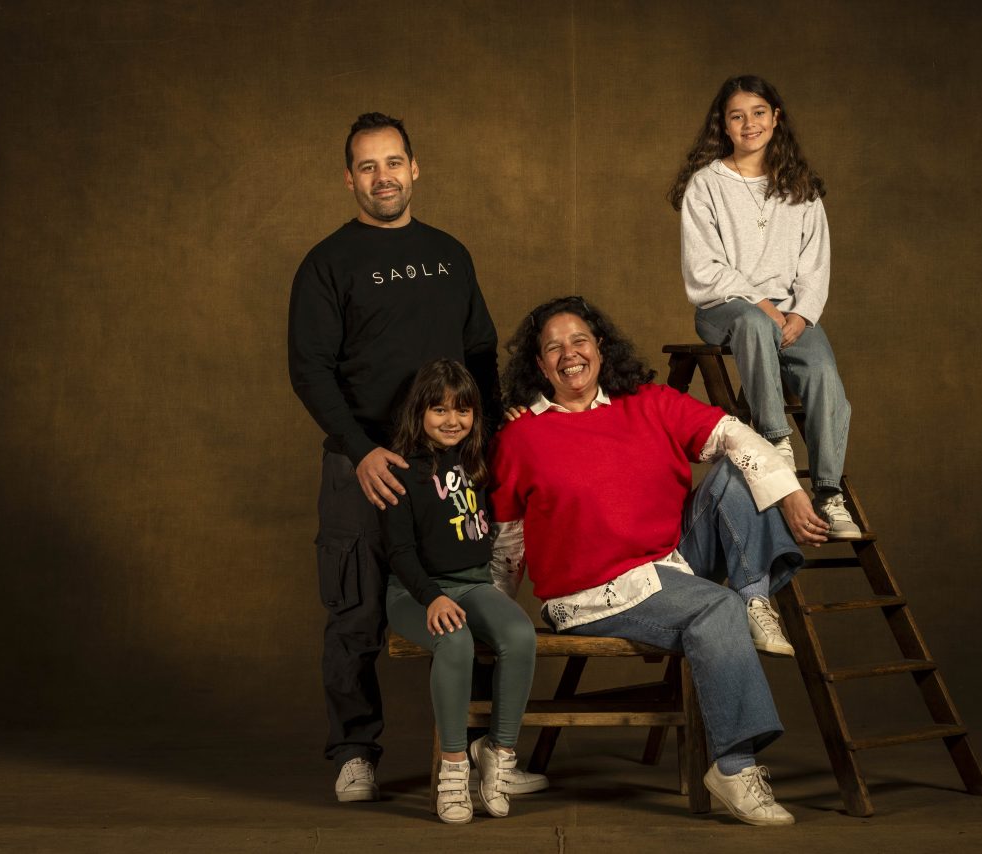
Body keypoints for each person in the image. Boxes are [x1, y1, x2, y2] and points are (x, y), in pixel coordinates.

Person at [488, 296, 831, 827]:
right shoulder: (519, 437)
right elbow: (508, 544)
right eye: (553, 348)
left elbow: (735, 434)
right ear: (539, 365)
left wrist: (789, 493)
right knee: (715, 609)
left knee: (738, 466)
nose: (569, 354)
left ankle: (755, 596)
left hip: (669, 564)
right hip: (591, 593)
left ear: (600, 347)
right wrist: (492, 616)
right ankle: (735, 768)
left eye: (579, 340)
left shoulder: (648, 401)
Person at [288, 112, 544, 803]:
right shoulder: (327, 263)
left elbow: (481, 350)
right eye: (368, 166)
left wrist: (491, 440)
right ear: (349, 179)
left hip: (449, 467)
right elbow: (310, 370)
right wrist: (362, 450)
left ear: (415, 168)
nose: (383, 178)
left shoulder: (449, 254)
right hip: (363, 465)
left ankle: (488, 749)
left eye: (393, 162)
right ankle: (354, 753)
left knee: (476, 598)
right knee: (355, 612)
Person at [668, 74, 861, 538]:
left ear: (776, 118)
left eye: (758, 113)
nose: (749, 123)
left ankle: (829, 493)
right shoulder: (706, 185)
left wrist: (801, 313)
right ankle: (777, 441)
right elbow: (704, 268)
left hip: (791, 312)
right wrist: (760, 304)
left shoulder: (800, 187)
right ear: (724, 125)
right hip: (725, 306)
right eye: (737, 116)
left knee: (824, 375)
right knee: (753, 323)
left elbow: (815, 263)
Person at [382, 360, 537, 824]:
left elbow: (516, 439)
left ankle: (498, 752)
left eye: (463, 410)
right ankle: (453, 768)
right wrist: (431, 597)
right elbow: (399, 552)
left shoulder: (477, 459)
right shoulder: (401, 469)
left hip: (473, 584)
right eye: (440, 410)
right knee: (455, 640)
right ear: (419, 412)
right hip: (415, 594)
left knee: (520, 635)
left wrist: (517, 417)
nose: (452, 420)